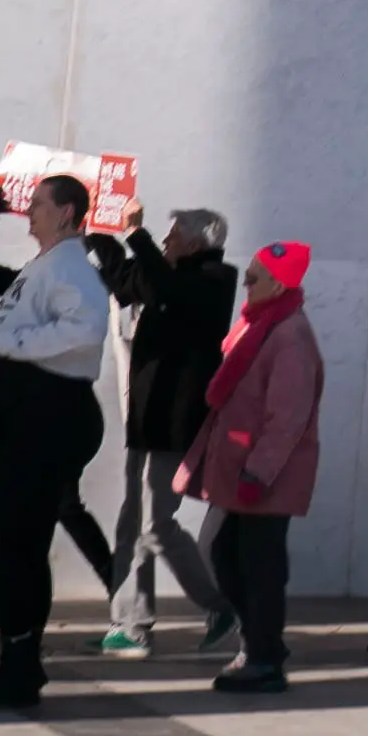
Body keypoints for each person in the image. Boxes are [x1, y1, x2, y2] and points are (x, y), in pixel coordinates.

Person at [0, 171, 115, 708]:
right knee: (20, 543)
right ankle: (21, 661)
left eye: (40, 203)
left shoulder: (73, 266)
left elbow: (86, 329)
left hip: (53, 417)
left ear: (69, 213)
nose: (30, 210)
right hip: (34, 417)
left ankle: (21, 659)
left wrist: (9, 342)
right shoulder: (47, 264)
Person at [92, 203, 239, 659]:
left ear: (196, 243)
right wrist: (97, 234)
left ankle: (221, 607)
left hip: (175, 425)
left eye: (172, 234)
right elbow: (125, 282)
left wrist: (137, 234)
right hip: (148, 419)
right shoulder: (164, 272)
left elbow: (170, 291)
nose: (165, 240)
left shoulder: (214, 280)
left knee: (155, 525)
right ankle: (131, 624)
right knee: (131, 523)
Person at [189, 240, 324, 692]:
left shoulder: (289, 335)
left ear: (279, 283)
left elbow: (287, 418)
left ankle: (264, 657)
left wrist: (258, 473)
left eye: (254, 276)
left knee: (258, 566)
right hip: (237, 468)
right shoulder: (260, 324)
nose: (244, 284)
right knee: (219, 550)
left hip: (264, 475)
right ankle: (260, 642)